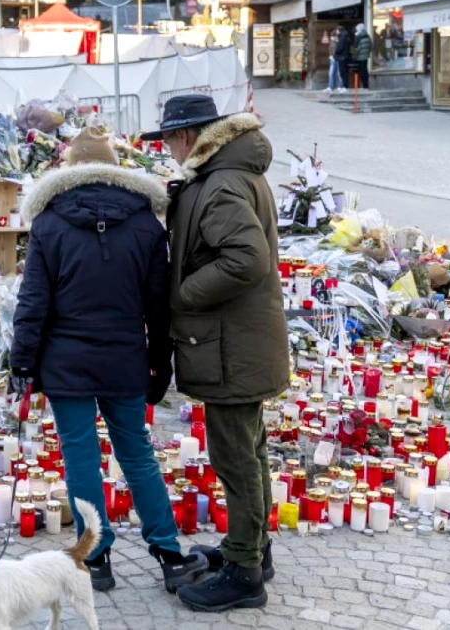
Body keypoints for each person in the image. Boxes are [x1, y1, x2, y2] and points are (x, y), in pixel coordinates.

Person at [10, 125, 206, 594]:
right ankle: (168, 553)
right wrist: (161, 363)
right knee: (136, 452)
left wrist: (22, 364)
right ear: (114, 170)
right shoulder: (144, 223)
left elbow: (33, 301)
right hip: (124, 358)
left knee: (80, 454)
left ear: (71, 170)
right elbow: (158, 307)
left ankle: (95, 558)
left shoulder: (50, 222)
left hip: (66, 361)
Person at [143, 95, 288, 614]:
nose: (166, 149)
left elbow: (248, 259)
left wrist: (182, 294)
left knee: (236, 459)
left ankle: (245, 574)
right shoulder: (227, 173)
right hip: (238, 341)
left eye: (167, 139)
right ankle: (250, 551)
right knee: (249, 451)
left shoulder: (223, 182)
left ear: (189, 137)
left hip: (232, 346)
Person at [351, 23, 372, 90]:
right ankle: (366, 85)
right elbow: (371, 45)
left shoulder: (358, 37)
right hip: (366, 56)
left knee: (361, 71)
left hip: (359, 57)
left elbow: (356, 49)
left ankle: (364, 85)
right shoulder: (367, 36)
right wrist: (368, 52)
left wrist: (354, 56)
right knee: (365, 70)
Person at [330, 27, 351, 93]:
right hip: (344, 56)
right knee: (343, 72)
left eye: (337, 30)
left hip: (342, 57)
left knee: (342, 73)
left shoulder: (342, 37)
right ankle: (344, 86)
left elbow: (340, 47)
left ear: (339, 30)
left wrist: (336, 53)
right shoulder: (345, 36)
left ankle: (345, 87)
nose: (337, 32)